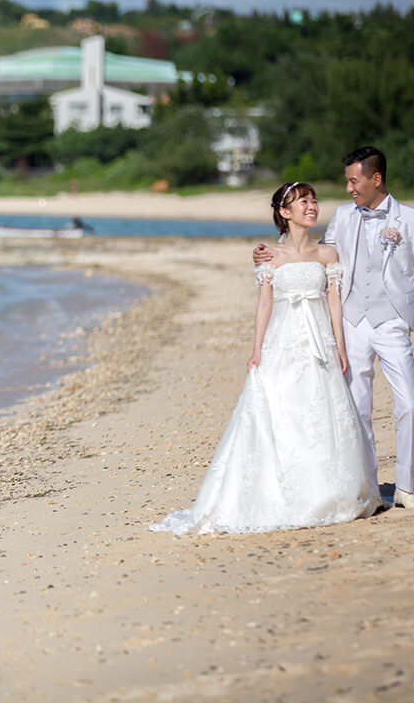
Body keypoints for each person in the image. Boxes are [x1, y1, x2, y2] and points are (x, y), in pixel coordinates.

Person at [151, 182, 381, 535]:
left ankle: (329, 491)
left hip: (318, 337)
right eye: (303, 202)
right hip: (283, 339)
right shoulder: (269, 255)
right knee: (283, 409)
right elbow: (264, 303)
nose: (312, 206)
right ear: (285, 213)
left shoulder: (327, 254)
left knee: (320, 411)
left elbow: (334, 300)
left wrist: (339, 344)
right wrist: (257, 349)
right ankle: (286, 492)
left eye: (313, 200)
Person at [253, 147, 414, 508]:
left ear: (376, 179)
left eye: (354, 181)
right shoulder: (342, 216)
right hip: (351, 323)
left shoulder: (412, 220)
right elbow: (316, 254)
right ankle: (372, 489)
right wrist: (266, 255)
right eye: (347, 182)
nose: (349, 188)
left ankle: (405, 486)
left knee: (410, 405)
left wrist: (401, 304)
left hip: (391, 324)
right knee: (358, 409)